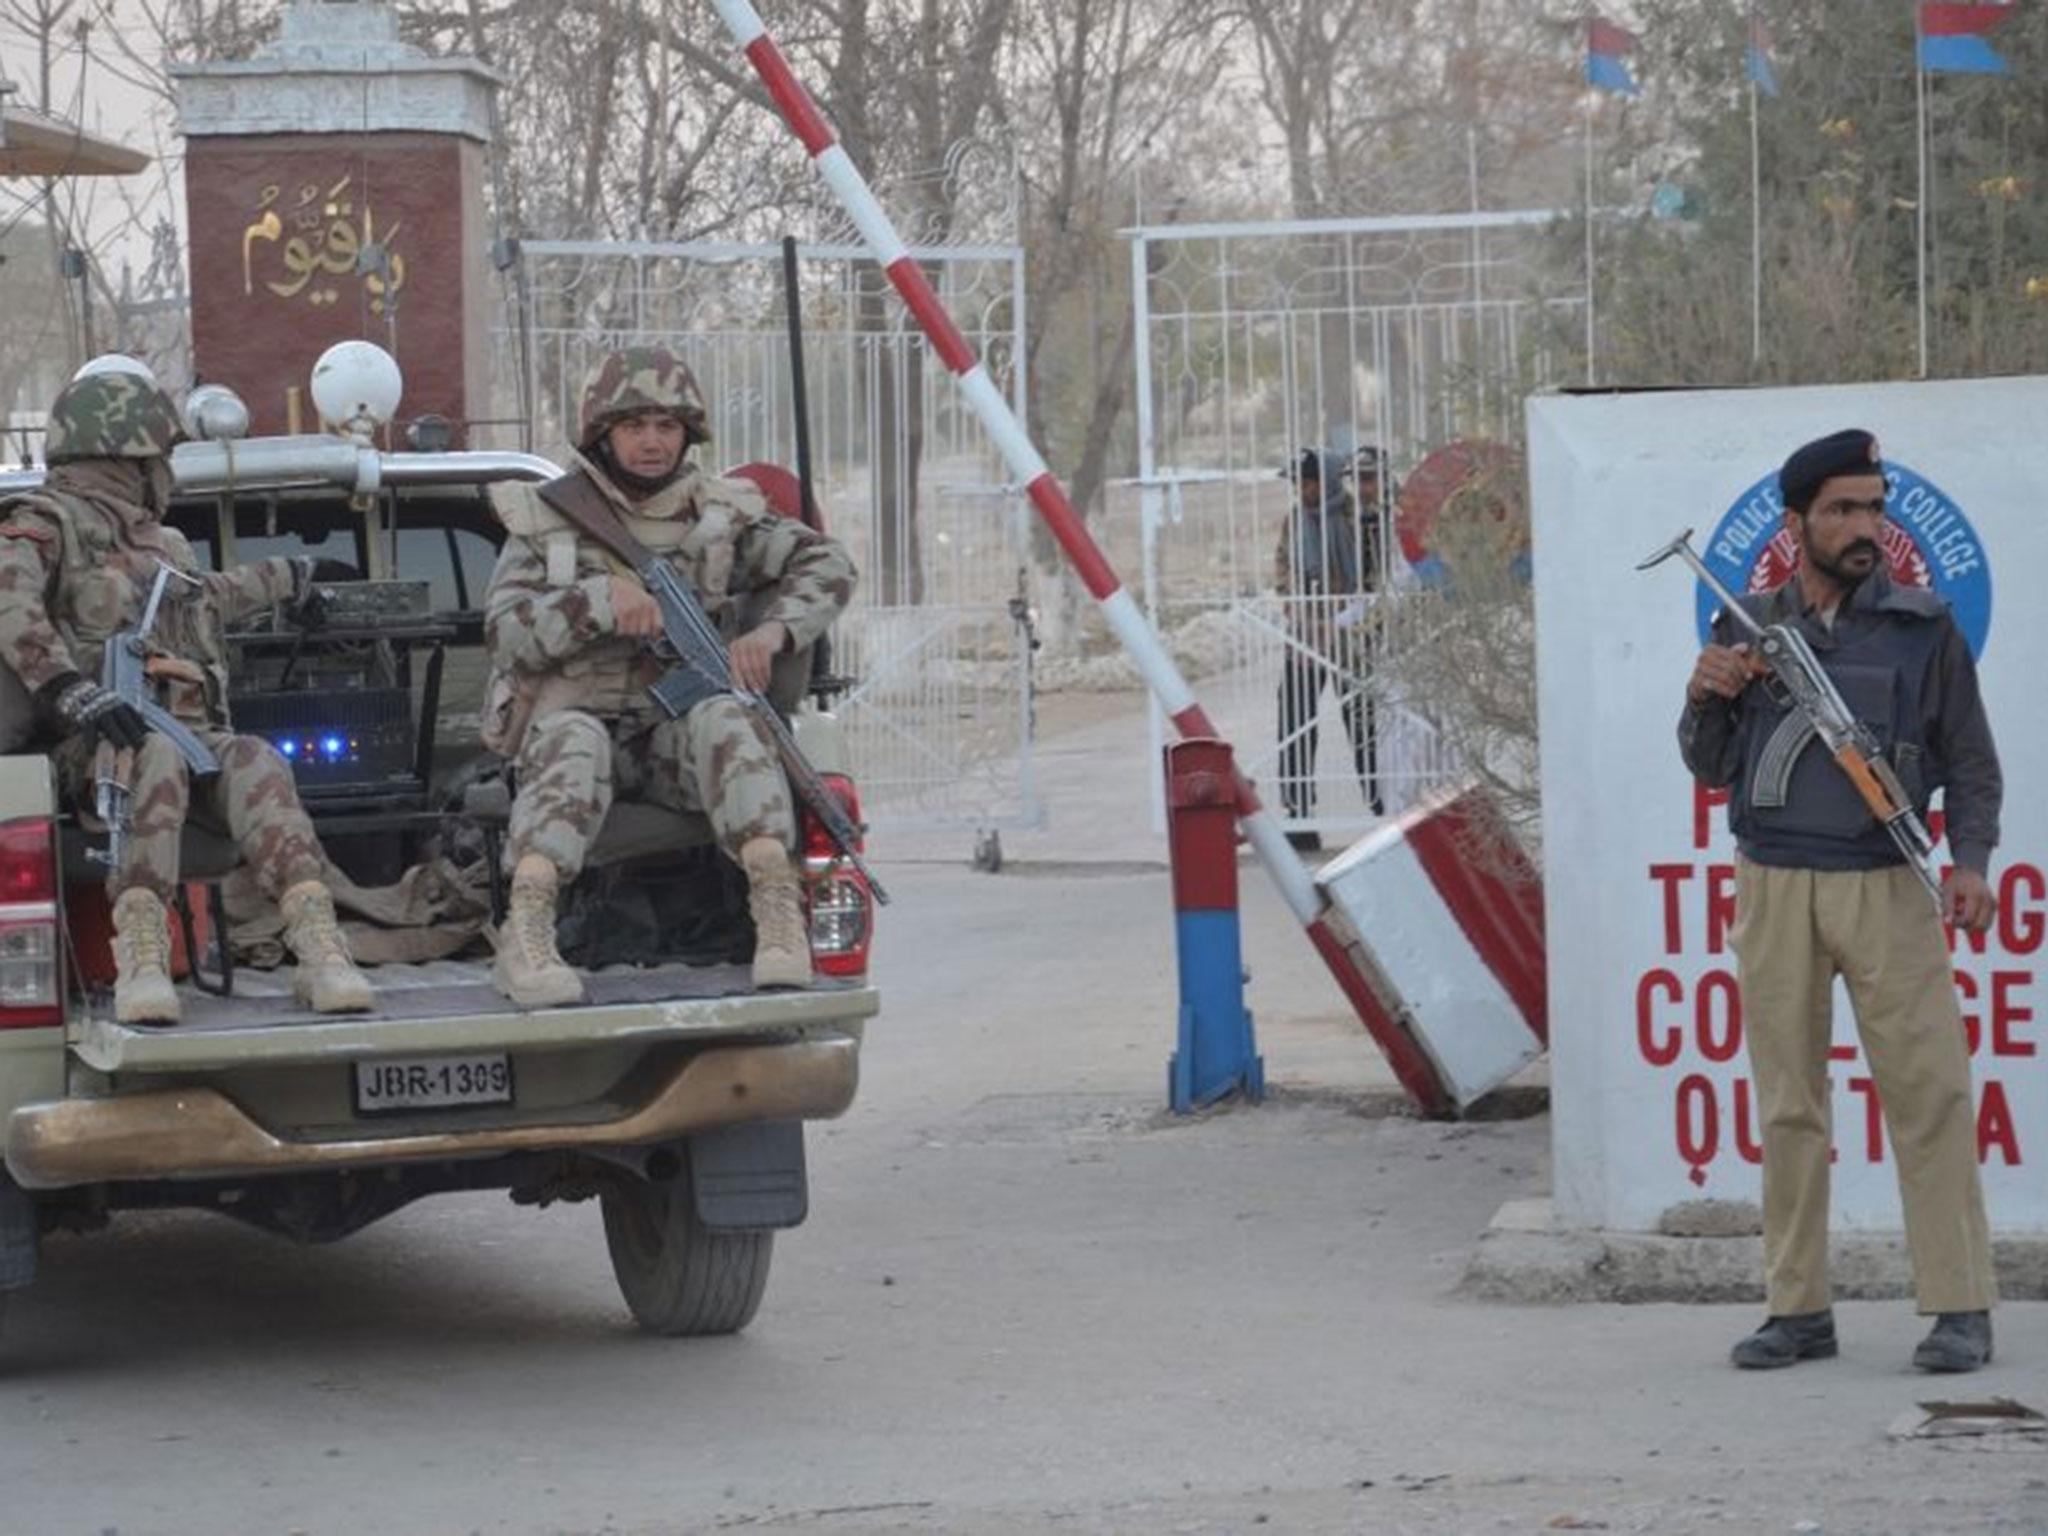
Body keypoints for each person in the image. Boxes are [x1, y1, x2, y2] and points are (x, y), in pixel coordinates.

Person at [1678, 428, 1999, 1373]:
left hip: (1888, 888)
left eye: (1875, 506)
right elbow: (1707, 767)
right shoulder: (1745, 623)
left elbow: (1972, 762)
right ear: (1798, 522)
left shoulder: (1924, 626)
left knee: (1929, 1093)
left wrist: (1970, 860)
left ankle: (1960, 1304)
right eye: (1844, 509)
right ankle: (1797, 1308)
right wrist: (1706, 695)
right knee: (1788, 1106)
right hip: (1774, 882)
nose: (1867, 526)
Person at [481, 346, 855, 1003]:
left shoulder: (721, 515)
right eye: (634, 426)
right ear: (603, 434)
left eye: (667, 426)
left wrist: (775, 631)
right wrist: (595, 604)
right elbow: (504, 631)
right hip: (578, 733)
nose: (653, 442)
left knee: (728, 717)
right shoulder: (546, 518)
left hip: (671, 742)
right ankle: (528, 933)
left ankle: (775, 912)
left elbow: (828, 563)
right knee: (573, 738)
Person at [0, 372, 374, 1025]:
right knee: (153, 757)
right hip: (89, 753)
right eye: (161, 458)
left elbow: (206, 595)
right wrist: (71, 690)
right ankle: (141, 957)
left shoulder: (159, 543)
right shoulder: (43, 525)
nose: (167, 473)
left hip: (185, 734)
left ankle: (318, 944)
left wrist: (293, 576)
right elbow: (10, 604)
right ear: (130, 457)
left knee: (257, 759)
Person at [1275, 447, 1383, 851]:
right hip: (1305, 637)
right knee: (1295, 720)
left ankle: (1380, 804)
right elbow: (1283, 570)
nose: (1302, 490)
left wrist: (1346, 618)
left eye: (1308, 482)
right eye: (1298, 483)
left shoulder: (1358, 518)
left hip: (1352, 636)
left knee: (1364, 721)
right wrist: (1296, 609)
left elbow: (1374, 574)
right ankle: (1298, 812)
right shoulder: (1294, 522)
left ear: (1328, 481)